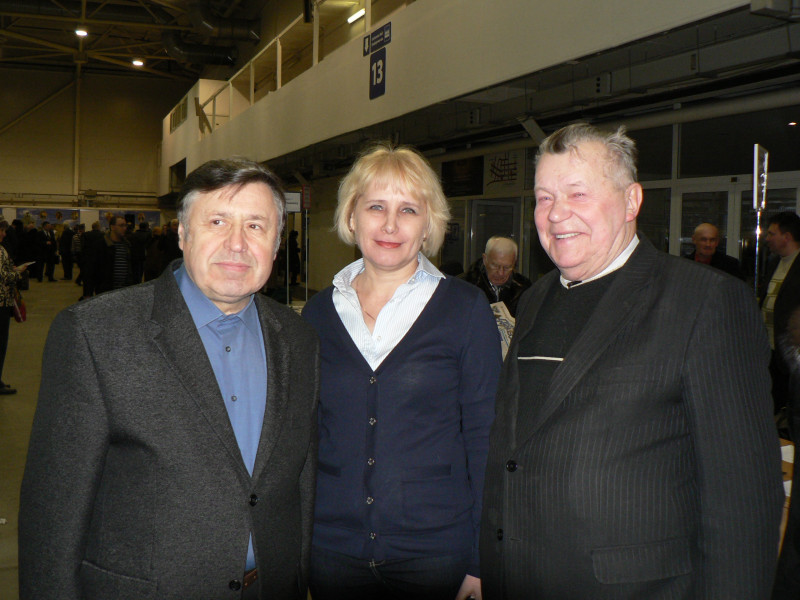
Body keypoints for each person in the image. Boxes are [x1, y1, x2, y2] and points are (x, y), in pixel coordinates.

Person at [480, 123, 784, 599]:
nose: (556, 213)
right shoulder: (536, 298)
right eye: (544, 197)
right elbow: (514, 446)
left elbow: (743, 498)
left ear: (631, 201)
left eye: (577, 193)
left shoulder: (704, 301)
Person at [19, 158, 320, 600]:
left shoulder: (299, 338)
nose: (237, 243)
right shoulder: (96, 334)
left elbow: (301, 480)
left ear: (276, 244)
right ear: (182, 234)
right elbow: (53, 509)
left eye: (256, 226)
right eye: (217, 221)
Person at [302, 143, 501, 600]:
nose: (390, 225)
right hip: (333, 550)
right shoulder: (317, 315)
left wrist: (480, 557)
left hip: (435, 552)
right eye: (376, 207)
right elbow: (305, 437)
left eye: (408, 210)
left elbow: (486, 439)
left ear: (428, 224)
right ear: (352, 217)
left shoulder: (465, 309)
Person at [762, 211, 800, 416]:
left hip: (792, 351)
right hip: (771, 349)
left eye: (771, 234)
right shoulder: (773, 262)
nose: (767, 238)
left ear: (786, 237)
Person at [459, 236, 532, 318]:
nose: (501, 273)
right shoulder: (464, 285)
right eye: (495, 266)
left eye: (507, 267)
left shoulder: (523, 288)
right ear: (485, 260)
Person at [0, 220, 27, 394]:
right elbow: (3, 275)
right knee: (1, 342)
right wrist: (17, 273)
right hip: (1, 302)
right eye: (1, 231)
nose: (4, 234)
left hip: (3, 301)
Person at [95, 215, 133, 292]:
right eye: (121, 225)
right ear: (112, 227)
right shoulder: (102, 244)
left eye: (125, 225)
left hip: (124, 290)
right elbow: (92, 269)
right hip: (106, 290)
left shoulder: (127, 245)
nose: (125, 228)